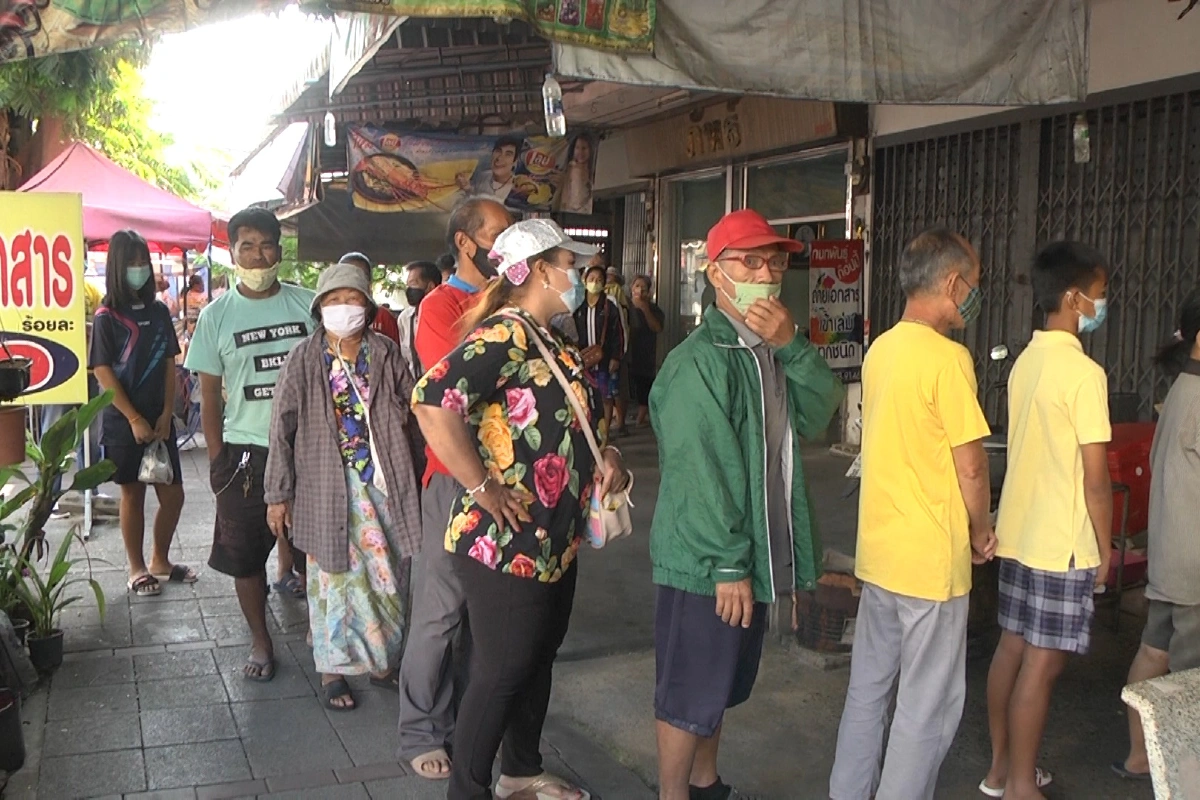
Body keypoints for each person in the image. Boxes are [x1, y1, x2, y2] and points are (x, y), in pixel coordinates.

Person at [412, 217, 627, 800]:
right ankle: (469, 788)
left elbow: (574, 420)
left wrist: (604, 453)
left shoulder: (549, 337)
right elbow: (432, 401)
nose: (577, 276)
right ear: (538, 271)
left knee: (535, 658)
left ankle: (522, 772)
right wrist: (481, 486)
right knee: (501, 671)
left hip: (554, 539)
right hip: (505, 542)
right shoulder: (503, 336)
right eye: (569, 265)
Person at [650, 209, 843, 800]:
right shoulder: (698, 363)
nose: (766, 273)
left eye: (775, 261)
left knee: (723, 684)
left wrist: (795, 347)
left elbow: (818, 413)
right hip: (709, 563)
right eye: (750, 260)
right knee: (690, 688)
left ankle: (707, 783)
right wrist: (729, 564)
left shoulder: (769, 351)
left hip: (750, 555)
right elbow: (702, 474)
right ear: (714, 273)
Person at [829, 227, 995, 800]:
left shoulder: (881, 349)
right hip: (930, 565)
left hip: (880, 555)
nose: (975, 294)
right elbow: (971, 467)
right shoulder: (949, 360)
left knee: (867, 693)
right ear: (952, 283)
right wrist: (982, 530)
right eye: (972, 283)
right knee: (926, 708)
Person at [981, 242, 1112, 799]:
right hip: (1062, 542)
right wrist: (1105, 552)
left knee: (1012, 649)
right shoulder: (1084, 374)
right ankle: (1020, 788)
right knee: (1043, 665)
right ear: (1073, 298)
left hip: (1020, 532)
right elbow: (1097, 479)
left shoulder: (1026, 361)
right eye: (1099, 297)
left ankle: (1000, 771)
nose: (1101, 307)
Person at [265, 263, 423, 711]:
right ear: (319, 308)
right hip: (326, 487)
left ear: (367, 307)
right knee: (333, 580)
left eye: (351, 299)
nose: (343, 308)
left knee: (388, 576)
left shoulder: (387, 352)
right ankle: (332, 669)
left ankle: (381, 661)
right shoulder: (303, 358)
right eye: (333, 300)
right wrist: (277, 493)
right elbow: (282, 428)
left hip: (385, 485)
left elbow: (414, 409)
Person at [398, 196, 513, 779]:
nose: (508, 244)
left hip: (513, 484)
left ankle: (473, 722)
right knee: (440, 612)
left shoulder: (519, 301)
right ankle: (420, 728)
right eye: (499, 233)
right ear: (467, 243)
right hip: (455, 478)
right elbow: (466, 387)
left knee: (487, 618)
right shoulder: (441, 306)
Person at [185, 207, 316, 682]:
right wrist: (218, 458)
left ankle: (324, 633)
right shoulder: (216, 317)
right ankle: (261, 639)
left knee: (314, 549)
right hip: (244, 455)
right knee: (245, 555)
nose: (258, 256)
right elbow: (209, 396)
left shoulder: (309, 305)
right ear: (232, 252)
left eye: (266, 246)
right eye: (247, 246)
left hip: (307, 451)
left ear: (280, 251)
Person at [1115, 288, 1200, 781]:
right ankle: (1187, 777)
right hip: (1193, 561)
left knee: (1154, 651)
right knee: (1190, 676)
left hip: (1172, 552)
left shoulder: (1180, 393)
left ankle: (1139, 756)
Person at [89, 230, 193, 597]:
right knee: (132, 495)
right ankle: (136, 568)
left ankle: (160, 560)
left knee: (174, 493)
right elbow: (102, 371)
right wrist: (133, 418)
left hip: (161, 419)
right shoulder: (106, 316)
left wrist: (167, 412)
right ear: (117, 267)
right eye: (131, 263)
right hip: (123, 422)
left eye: (142, 263)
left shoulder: (160, 310)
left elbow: (169, 362)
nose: (138, 270)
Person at [573, 263, 625, 441]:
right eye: (591, 279)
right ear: (585, 281)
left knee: (606, 396)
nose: (595, 283)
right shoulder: (577, 305)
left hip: (604, 359)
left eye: (599, 280)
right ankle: (588, 432)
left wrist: (616, 357)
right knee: (584, 395)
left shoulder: (609, 305)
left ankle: (605, 435)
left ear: (604, 284)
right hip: (582, 359)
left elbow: (619, 332)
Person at [338, 252, 401, 347]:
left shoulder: (383, 317)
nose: (354, 280)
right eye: (347, 275)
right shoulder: (329, 314)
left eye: (360, 276)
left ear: (369, 283)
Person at [627, 275, 663, 428]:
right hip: (627, 352)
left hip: (645, 352)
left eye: (644, 287)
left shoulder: (654, 309)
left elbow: (657, 328)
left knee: (644, 383)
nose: (640, 290)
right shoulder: (625, 306)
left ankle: (641, 417)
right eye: (637, 286)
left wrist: (645, 309)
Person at [398, 260, 442, 379]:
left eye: (413, 284)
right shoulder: (404, 319)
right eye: (408, 285)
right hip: (413, 387)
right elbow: (405, 359)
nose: (409, 289)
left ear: (431, 287)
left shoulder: (443, 316)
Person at [604, 267, 631, 436]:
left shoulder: (615, 297)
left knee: (614, 390)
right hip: (600, 353)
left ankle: (618, 424)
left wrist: (618, 354)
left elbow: (622, 328)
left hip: (613, 352)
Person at [459, 135, 523, 201]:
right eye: (498, 151)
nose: (500, 158)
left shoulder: (518, 189)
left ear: (515, 161)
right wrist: (467, 188)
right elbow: (475, 199)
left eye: (508, 154)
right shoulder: (483, 176)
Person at [558, 135, 594, 214]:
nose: (580, 152)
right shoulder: (573, 170)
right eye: (577, 148)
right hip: (573, 210)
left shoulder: (590, 169)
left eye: (584, 148)